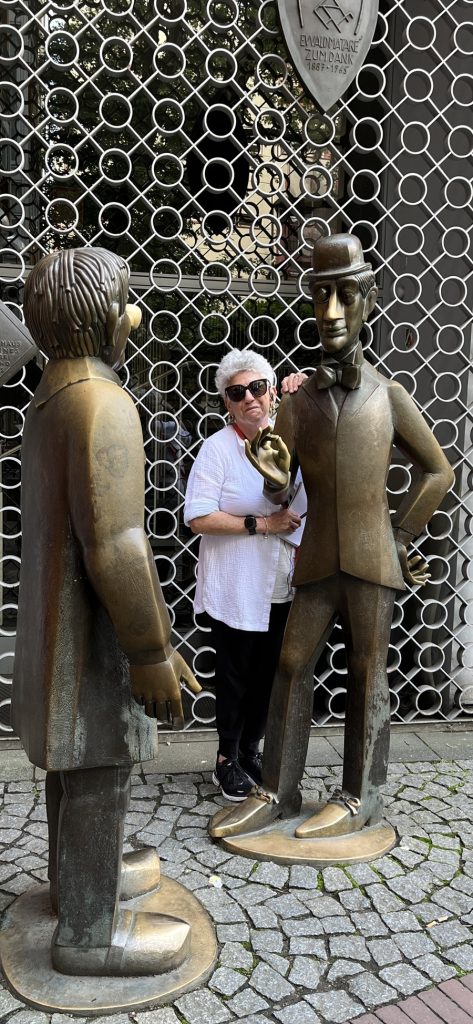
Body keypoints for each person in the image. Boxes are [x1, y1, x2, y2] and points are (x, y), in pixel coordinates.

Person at [210, 232, 454, 841]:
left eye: (345, 295)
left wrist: (402, 535)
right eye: (321, 297)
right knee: (292, 665)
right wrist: (271, 484)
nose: (332, 313)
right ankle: (277, 789)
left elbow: (439, 471)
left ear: (368, 300)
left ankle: (360, 793)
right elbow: (281, 488)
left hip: (373, 558)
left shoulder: (389, 396)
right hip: (316, 556)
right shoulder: (295, 406)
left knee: (368, 672)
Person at [12, 247, 200, 976]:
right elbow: (119, 545)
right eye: (126, 301)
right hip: (88, 642)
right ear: (99, 318)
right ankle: (89, 936)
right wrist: (151, 651)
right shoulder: (103, 400)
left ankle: (78, 883)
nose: (135, 315)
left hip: (51, 639)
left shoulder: (47, 401)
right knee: (98, 768)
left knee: (73, 773)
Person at [184, 349, 306, 802]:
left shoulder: (292, 434)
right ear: (227, 404)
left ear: (272, 391)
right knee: (235, 674)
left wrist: (306, 385)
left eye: (258, 387)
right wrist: (262, 524)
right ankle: (225, 759)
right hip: (237, 583)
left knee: (269, 673)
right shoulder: (217, 449)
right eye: (237, 393)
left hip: (282, 580)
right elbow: (196, 517)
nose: (250, 398)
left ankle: (251, 750)